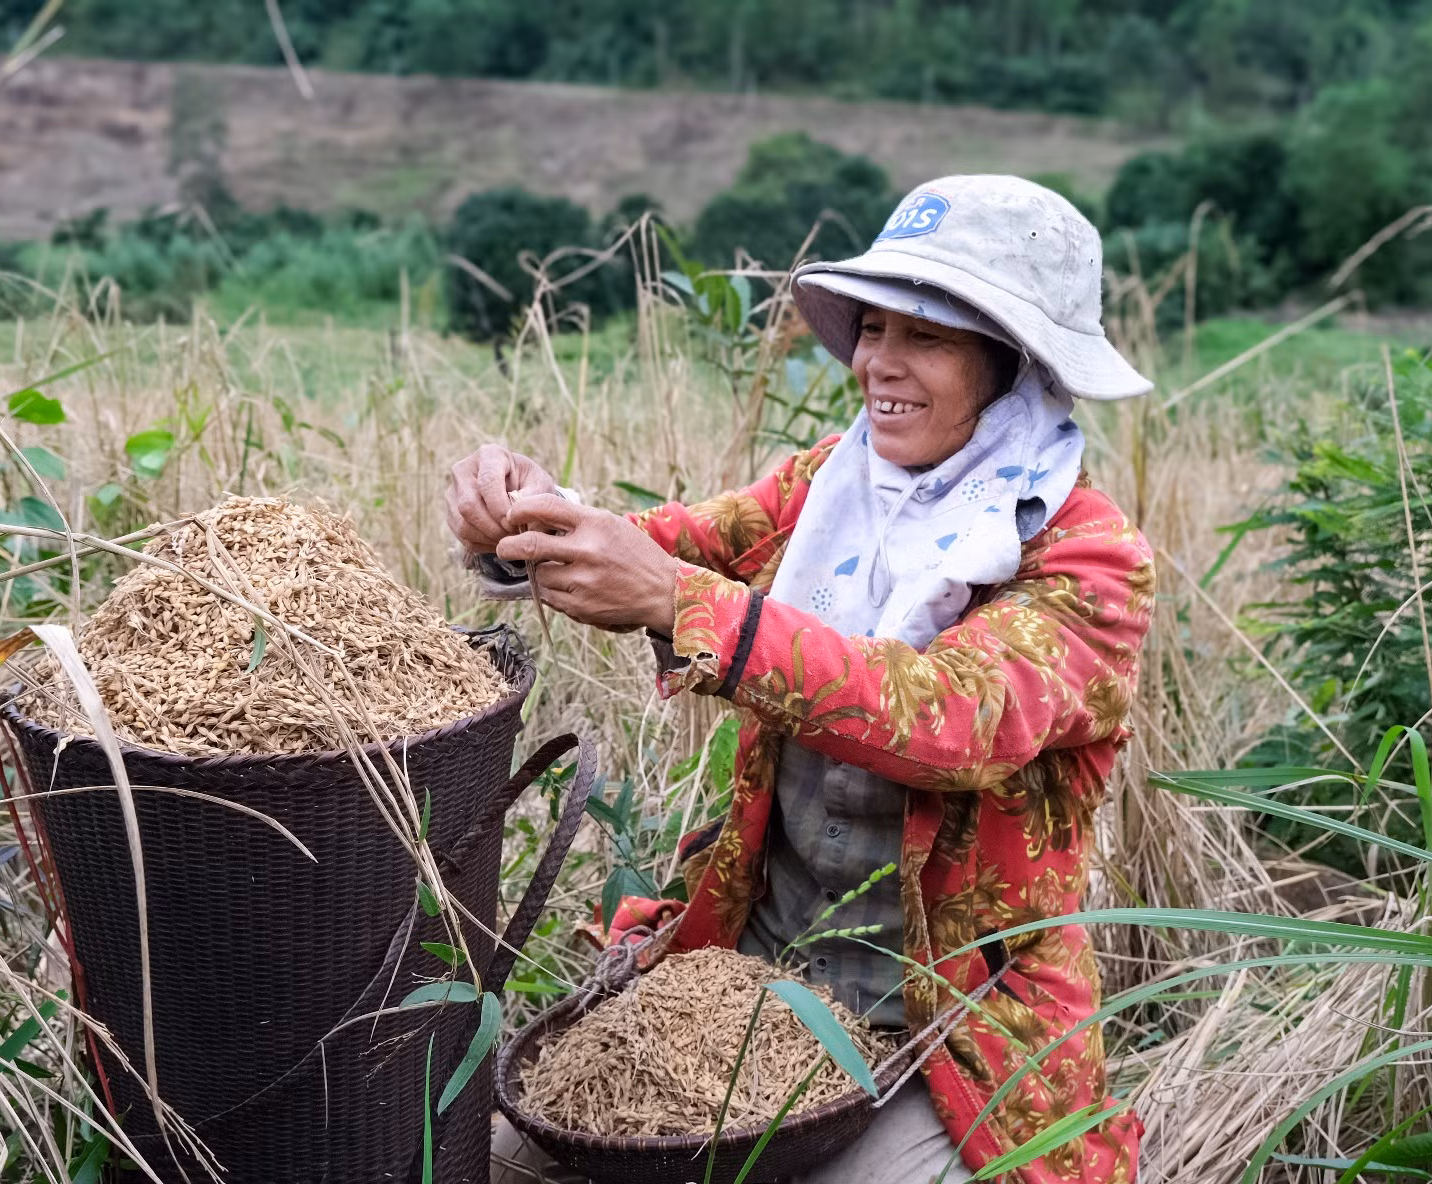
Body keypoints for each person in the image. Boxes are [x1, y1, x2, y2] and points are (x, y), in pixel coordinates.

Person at [456, 176, 1152, 1184]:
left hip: (938, 1033)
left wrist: (682, 603)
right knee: (504, 1159)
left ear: (1017, 366)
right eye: (872, 326)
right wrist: (527, 521)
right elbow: (672, 544)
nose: (880, 363)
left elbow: (945, 714)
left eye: (931, 336)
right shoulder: (829, 488)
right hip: (754, 975)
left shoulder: (1087, 558)